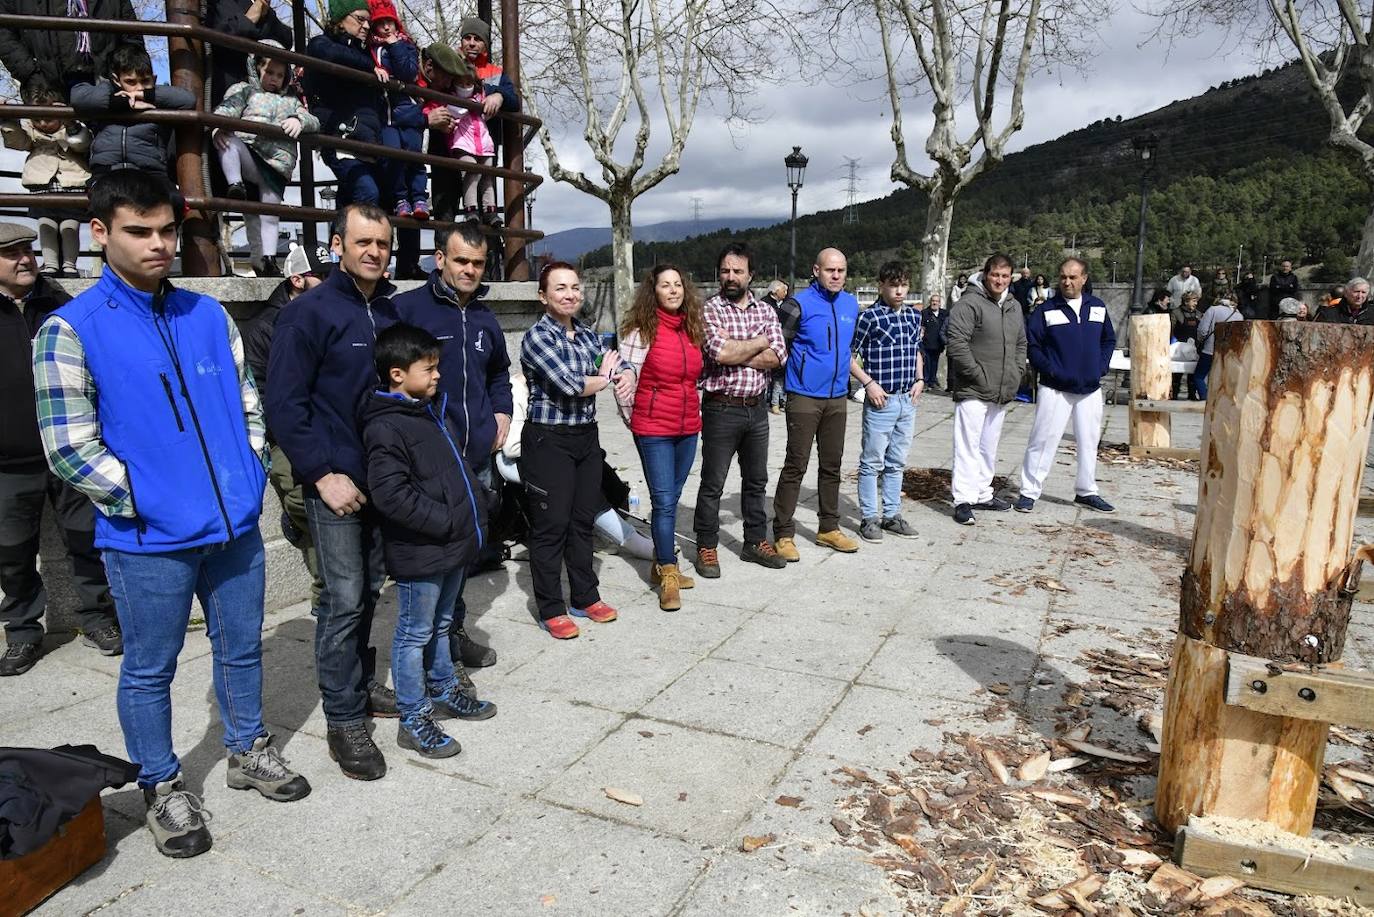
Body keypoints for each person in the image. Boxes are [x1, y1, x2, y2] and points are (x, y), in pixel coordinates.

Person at [33, 171, 310, 858]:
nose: (158, 244)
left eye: (167, 230)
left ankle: (248, 748)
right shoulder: (69, 329)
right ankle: (162, 783)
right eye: (139, 231)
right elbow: (69, 447)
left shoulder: (207, 315)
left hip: (234, 526)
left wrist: (247, 475)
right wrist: (144, 501)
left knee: (242, 645)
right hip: (147, 539)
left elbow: (249, 399)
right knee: (150, 666)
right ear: (100, 233)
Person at [265, 203, 400, 782]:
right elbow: (285, 407)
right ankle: (344, 719)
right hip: (335, 484)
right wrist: (322, 474)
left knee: (370, 590)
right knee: (342, 600)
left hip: (383, 480)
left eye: (384, 244)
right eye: (364, 242)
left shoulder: (391, 311)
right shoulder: (310, 314)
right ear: (338, 245)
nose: (374, 252)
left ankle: (362, 684)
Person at [361, 323, 492, 760]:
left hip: (451, 544)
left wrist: (475, 506)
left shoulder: (428, 411)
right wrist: (447, 520)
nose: (437, 376)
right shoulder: (387, 426)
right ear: (397, 374)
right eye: (428, 368)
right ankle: (414, 717)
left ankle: (444, 690)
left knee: (440, 624)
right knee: (414, 632)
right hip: (423, 550)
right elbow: (391, 495)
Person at [0, 221, 119, 677]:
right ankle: (22, 633)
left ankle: (98, 619)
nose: (25, 258)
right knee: (11, 552)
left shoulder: (58, 304)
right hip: (10, 463)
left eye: (28, 249)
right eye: (11, 253)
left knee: (87, 539)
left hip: (69, 453)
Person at [393, 220, 509, 669]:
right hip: (427, 463)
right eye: (461, 260)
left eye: (478, 263)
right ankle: (423, 653)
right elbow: (386, 376)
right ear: (439, 259)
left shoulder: (484, 317)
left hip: (475, 457)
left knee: (464, 556)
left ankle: (452, 639)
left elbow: (498, 372)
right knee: (428, 563)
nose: (469, 270)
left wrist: (501, 414)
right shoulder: (407, 310)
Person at [519, 262, 625, 639]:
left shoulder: (585, 335)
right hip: (549, 441)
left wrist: (619, 372)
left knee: (583, 521)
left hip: (585, 438)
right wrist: (609, 376)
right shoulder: (537, 337)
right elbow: (569, 384)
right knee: (552, 526)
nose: (570, 294)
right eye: (560, 288)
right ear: (543, 296)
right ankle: (551, 607)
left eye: (575, 287)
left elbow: (615, 361)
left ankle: (585, 596)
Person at [242, 242, 328, 615]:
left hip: (327, 427)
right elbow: (258, 392)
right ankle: (325, 598)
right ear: (296, 279)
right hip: (285, 435)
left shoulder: (332, 314)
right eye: (320, 276)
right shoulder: (264, 328)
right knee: (305, 505)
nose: (329, 282)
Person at [693, 242, 787, 578]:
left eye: (738, 271)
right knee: (713, 482)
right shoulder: (710, 309)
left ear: (751, 275)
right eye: (725, 271)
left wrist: (739, 347)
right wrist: (760, 341)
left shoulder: (765, 311)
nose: (730, 277)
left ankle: (754, 541)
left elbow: (779, 356)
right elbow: (719, 353)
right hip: (721, 408)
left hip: (757, 409)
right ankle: (706, 545)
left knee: (756, 480)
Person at [615, 264, 704, 611]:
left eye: (677, 284)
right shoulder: (639, 332)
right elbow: (624, 384)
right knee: (665, 501)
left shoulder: (693, 328)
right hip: (654, 430)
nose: (672, 290)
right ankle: (668, 570)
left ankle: (659, 561)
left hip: (687, 428)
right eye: (664, 285)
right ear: (652, 292)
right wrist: (635, 421)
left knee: (672, 496)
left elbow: (695, 376)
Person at [772, 248, 863, 558]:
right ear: (816, 270)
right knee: (796, 464)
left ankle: (828, 528)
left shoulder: (851, 304)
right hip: (804, 396)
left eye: (841, 271)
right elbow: (777, 349)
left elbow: (849, 349)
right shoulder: (798, 305)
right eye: (830, 270)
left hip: (837, 397)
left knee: (832, 466)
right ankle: (783, 533)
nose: (836, 276)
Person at [1015, 258, 1116, 515]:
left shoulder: (1098, 307)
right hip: (1055, 388)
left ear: (1084, 279)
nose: (1067, 282)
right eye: (1063, 277)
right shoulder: (1046, 310)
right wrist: (1050, 369)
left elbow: (1108, 340)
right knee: (1043, 440)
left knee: (1089, 440)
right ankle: (1029, 492)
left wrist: (1100, 367)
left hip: (1090, 388)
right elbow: (1033, 345)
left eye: (1072, 277)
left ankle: (1087, 491)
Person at [212, 42, 319, 277]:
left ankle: (268, 259)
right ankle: (235, 183)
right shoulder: (245, 90)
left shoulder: (292, 102)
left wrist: (299, 121)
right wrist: (218, 126)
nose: (274, 79)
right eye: (269, 72)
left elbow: (313, 120)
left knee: (270, 215)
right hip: (250, 155)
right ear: (256, 68)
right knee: (227, 140)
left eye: (280, 75)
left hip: (276, 166)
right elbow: (227, 109)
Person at [945, 253, 1025, 526]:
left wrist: (1016, 373)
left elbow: (1021, 343)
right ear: (985, 274)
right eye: (995, 275)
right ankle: (963, 499)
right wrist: (978, 375)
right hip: (974, 389)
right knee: (968, 445)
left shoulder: (1013, 306)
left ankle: (982, 492)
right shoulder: (970, 303)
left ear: (1011, 277)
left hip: (1001, 388)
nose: (999, 280)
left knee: (989, 445)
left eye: (1005, 276)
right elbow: (956, 344)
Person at [850, 260, 923, 543]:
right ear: (881, 285)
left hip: (907, 399)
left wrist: (919, 379)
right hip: (882, 400)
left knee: (897, 461)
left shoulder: (913, 317)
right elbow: (849, 356)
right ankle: (869, 518)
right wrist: (868, 384)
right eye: (894, 285)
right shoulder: (869, 318)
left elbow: (916, 351)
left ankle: (892, 515)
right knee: (872, 462)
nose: (899, 291)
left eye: (904, 285)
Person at [433, 16, 519, 224]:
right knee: (446, 199)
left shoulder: (495, 73)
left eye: (478, 39)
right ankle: (444, 246)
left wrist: (498, 95)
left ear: (485, 44)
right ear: (461, 41)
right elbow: (432, 85)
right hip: (449, 143)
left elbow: (513, 99)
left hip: (483, 142)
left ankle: (488, 243)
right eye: (467, 38)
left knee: (485, 184)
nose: (472, 43)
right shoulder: (448, 64)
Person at [305, 0, 386, 208]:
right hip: (338, 136)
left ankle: (337, 238)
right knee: (367, 193)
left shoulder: (365, 53)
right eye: (360, 19)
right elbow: (330, 54)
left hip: (367, 139)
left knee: (351, 200)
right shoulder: (320, 44)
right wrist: (370, 66)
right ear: (341, 20)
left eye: (369, 21)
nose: (366, 26)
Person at [70, 45, 195, 178]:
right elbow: (78, 97)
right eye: (131, 82)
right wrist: (122, 102)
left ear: (154, 79)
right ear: (116, 80)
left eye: (145, 81)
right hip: (107, 170)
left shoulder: (159, 98)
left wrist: (147, 95)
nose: (139, 88)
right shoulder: (106, 95)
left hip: (149, 171)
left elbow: (188, 100)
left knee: (174, 198)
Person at [2, 87, 89, 277]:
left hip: (71, 185)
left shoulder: (72, 129)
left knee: (69, 226)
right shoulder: (31, 133)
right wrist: (9, 120)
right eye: (36, 119)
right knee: (46, 224)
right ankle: (50, 265)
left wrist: (70, 122)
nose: (42, 123)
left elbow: (82, 143)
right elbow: (17, 142)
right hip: (41, 185)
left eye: (48, 118)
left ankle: (69, 265)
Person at [0, 0, 142, 102]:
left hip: (107, 86)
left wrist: (125, 79)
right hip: (48, 87)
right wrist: (31, 74)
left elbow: (131, 38)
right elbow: (4, 34)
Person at [368, 0, 429, 220]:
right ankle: (401, 198)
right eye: (380, 23)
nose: (385, 27)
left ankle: (419, 198)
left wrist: (395, 46)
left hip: (407, 110)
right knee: (392, 156)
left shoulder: (406, 44)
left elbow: (408, 72)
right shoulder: (371, 48)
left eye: (389, 22)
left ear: (396, 23)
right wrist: (373, 68)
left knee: (414, 155)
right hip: (385, 115)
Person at [205, 0, 293, 108]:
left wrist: (265, 15)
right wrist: (249, 19)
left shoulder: (264, 9)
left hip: (264, 98)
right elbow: (218, 38)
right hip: (228, 94)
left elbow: (286, 39)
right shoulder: (221, 3)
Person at [446, 61, 499, 223]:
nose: (464, 86)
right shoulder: (452, 99)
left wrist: (488, 103)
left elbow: (488, 113)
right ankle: (471, 209)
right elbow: (457, 110)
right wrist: (473, 105)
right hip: (464, 144)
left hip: (484, 145)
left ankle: (490, 211)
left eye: (468, 83)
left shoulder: (481, 97)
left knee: (487, 177)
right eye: (460, 83)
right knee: (471, 172)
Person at [1193, 295, 1244, 400]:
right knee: (1224, 378)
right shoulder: (1239, 314)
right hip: (1230, 352)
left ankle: (1205, 397)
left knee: (1199, 376)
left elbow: (1203, 330)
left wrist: (1200, 340)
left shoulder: (1213, 310)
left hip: (1210, 349)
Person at [761, 279, 789, 414]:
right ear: (775, 291)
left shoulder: (784, 303)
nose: (785, 292)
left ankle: (778, 401)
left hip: (780, 344)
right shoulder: (764, 304)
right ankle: (769, 401)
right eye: (783, 290)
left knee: (779, 377)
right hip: (766, 344)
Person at [1169, 290, 1203, 400]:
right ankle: (1174, 394)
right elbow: (1171, 329)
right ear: (1186, 301)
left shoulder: (1198, 314)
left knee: (1193, 372)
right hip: (1179, 348)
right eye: (1193, 301)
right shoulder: (1176, 313)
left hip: (1193, 348)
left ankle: (1192, 394)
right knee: (1176, 373)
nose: (1196, 303)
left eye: (1196, 301)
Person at [920, 292, 947, 390]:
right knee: (926, 363)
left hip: (938, 344)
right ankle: (925, 382)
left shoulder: (944, 313)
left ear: (940, 303)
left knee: (935, 363)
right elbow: (921, 328)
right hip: (926, 343)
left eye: (937, 301)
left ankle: (933, 381)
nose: (934, 303)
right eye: (933, 301)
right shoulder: (924, 313)